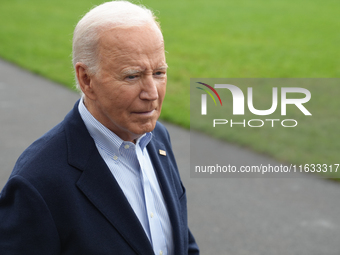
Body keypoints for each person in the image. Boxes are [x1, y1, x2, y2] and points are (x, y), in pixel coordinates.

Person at [0, 1, 199, 254]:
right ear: (86, 79)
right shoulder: (37, 182)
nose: (152, 93)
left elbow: (180, 240)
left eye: (159, 72)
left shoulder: (157, 137)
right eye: (132, 76)